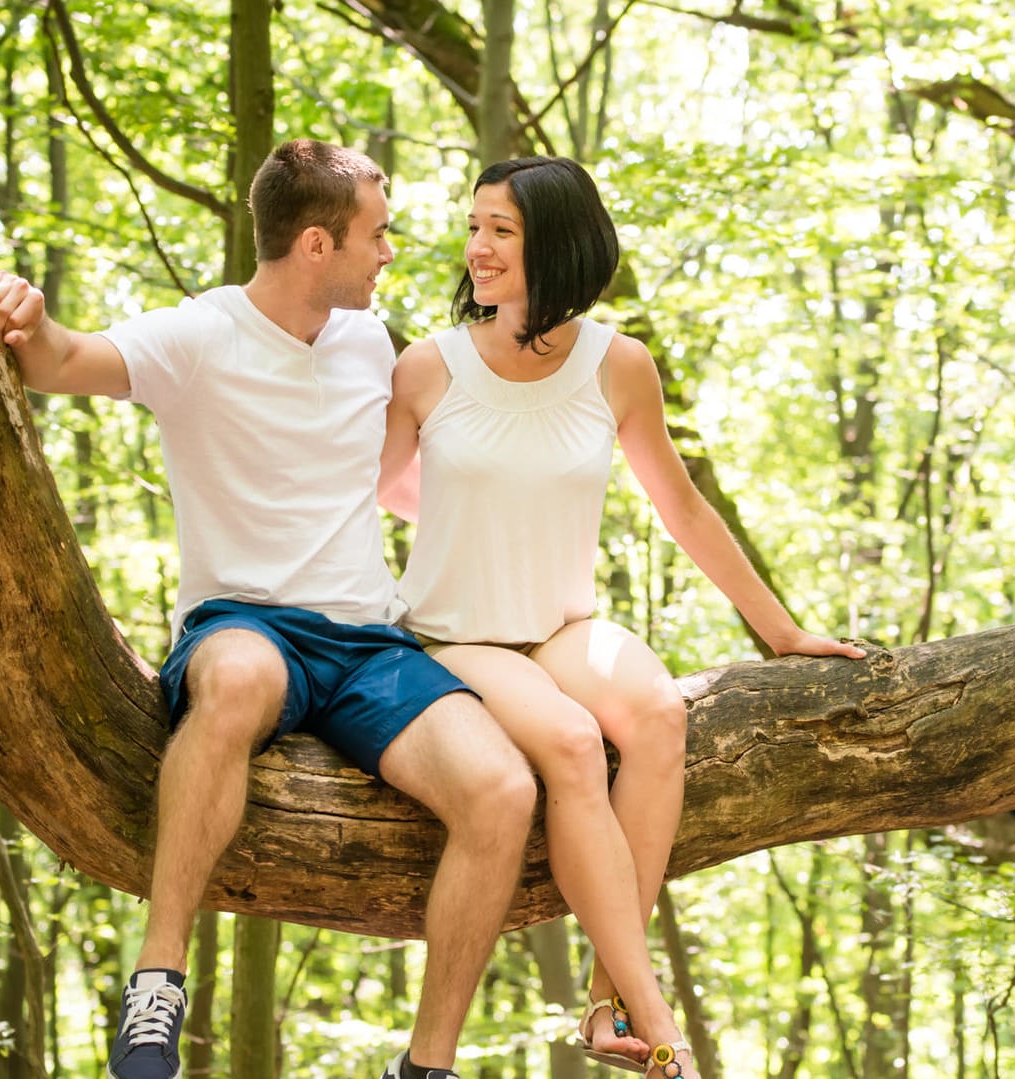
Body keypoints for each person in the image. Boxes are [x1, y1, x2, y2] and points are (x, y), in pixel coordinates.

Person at [0, 139, 534, 1079]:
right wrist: (21, 306)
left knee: (504, 788)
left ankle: (426, 1064)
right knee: (235, 682)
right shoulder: (200, 336)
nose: (390, 252)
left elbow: (414, 480)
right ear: (317, 244)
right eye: (377, 235)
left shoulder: (370, 339)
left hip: (367, 642)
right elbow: (61, 360)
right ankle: (157, 981)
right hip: (247, 623)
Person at [380, 157, 866, 1079]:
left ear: (556, 245)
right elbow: (369, 491)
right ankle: (661, 1028)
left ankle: (609, 1005)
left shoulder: (618, 365)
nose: (477, 248)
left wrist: (783, 631)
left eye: (502, 231)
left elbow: (684, 509)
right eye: (475, 225)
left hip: (564, 626)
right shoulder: (426, 367)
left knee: (659, 715)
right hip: (458, 634)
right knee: (568, 742)